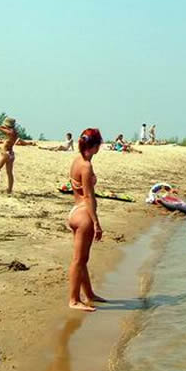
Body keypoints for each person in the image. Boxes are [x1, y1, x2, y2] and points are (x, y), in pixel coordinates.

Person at [66, 128, 107, 311]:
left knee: (82, 258)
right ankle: (74, 299)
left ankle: (89, 294)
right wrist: (96, 223)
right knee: (79, 260)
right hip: (84, 215)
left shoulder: (78, 160)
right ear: (95, 145)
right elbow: (89, 196)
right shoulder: (86, 166)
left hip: (75, 211)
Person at [0, 117, 18, 193]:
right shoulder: (15, 132)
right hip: (11, 153)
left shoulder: (10, 132)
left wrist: (0, 127)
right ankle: (9, 189)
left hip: (6, 154)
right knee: (9, 173)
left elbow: (1, 129)